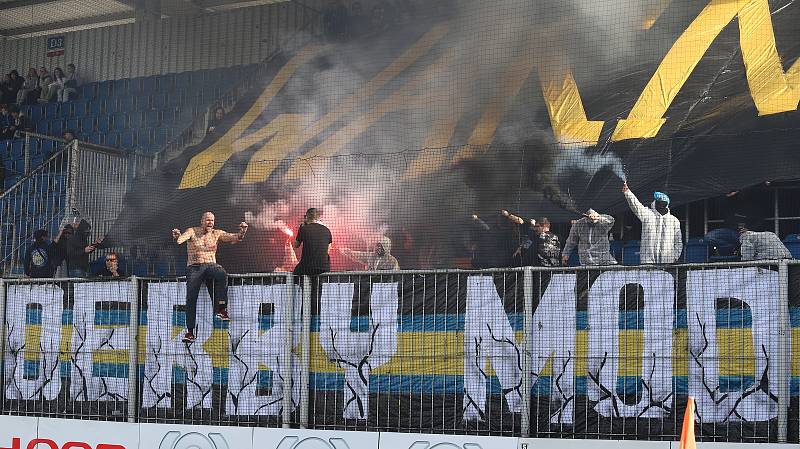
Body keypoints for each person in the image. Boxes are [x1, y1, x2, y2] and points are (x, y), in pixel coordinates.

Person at [172, 211, 248, 343]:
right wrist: (177, 236)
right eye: (208, 220)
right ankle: (190, 332)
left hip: (211, 265)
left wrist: (242, 231)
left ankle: (221, 309)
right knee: (191, 298)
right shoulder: (192, 231)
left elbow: (235, 237)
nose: (210, 223)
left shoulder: (216, 233)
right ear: (202, 221)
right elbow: (180, 240)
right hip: (194, 267)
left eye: (212, 220)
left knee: (222, 273)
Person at [623, 182, 683, 264]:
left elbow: (678, 242)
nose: (660, 204)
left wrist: (675, 256)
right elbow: (636, 206)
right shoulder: (647, 214)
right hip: (648, 262)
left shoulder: (674, 220)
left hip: (668, 262)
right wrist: (628, 193)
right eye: (659, 202)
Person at [293, 208, 332, 276]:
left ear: (307, 217)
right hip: (324, 267)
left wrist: (301, 228)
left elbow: (296, 245)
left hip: (307, 267)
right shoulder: (327, 230)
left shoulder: (303, 229)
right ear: (319, 218)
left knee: (294, 275)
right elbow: (327, 250)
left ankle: (303, 286)